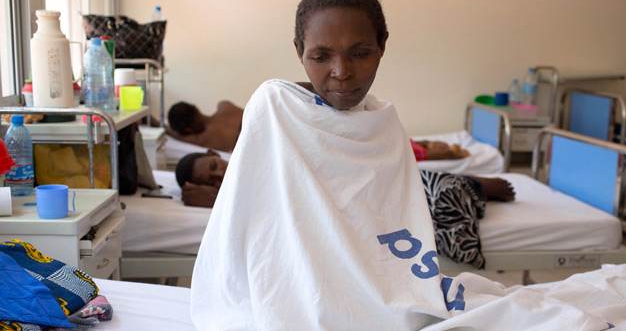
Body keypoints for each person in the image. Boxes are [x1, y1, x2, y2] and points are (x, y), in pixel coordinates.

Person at [189, 0, 538, 331]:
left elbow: (389, 214)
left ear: (382, 47)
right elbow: (254, 213)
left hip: (377, 289)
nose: (342, 71)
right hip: (298, 291)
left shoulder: (383, 122)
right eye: (321, 56)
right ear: (299, 51)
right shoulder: (274, 106)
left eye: (360, 52)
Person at [176, 147, 513, 208]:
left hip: (347, 179)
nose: (219, 178)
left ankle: (474, 184)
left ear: (214, 155)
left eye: (214, 169)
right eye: (212, 182)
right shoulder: (231, 196)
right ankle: (470, 186)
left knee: (401, 182)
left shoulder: (252, 154)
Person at [166, 100, 244, 152]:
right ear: (195, 108)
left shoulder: (206, 138)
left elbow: (169, 131)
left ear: (189, 130)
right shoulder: (225, 105)